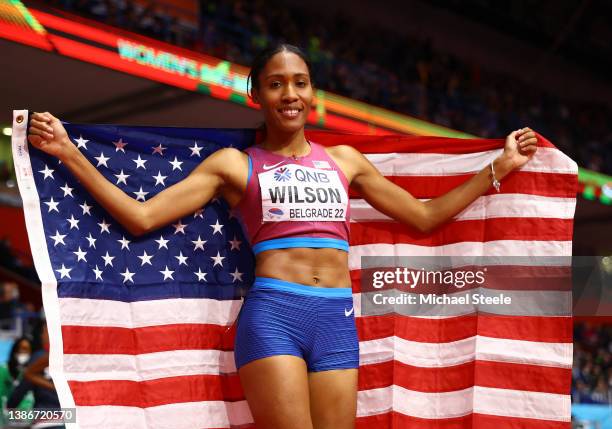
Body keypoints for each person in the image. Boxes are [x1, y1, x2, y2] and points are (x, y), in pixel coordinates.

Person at [27, 43, 538, 429]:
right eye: (276, 84)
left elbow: (425, 217)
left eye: (300, 82)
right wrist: (71, 153)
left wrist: (499, 167)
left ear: (312, 92)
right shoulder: (234, 165)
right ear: (257, 95)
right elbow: (141, 219)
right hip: (274, 317)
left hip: (337, 320)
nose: (289, 94)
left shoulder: (345, 161)